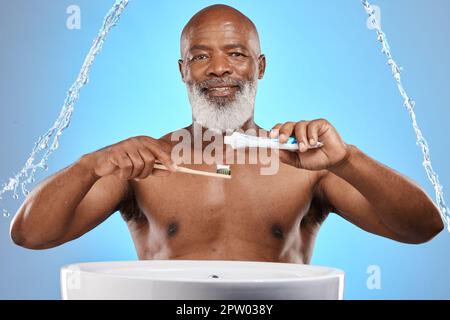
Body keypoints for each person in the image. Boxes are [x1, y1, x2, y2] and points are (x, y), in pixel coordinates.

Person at [10, 4, 443, 264]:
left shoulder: (305, 162)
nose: (219, 68)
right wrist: (88, 166)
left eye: (236, 54)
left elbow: (424, 227)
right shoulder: (143, 163)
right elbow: (30, 235)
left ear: (260, 67)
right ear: (184, 72)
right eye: (201, 57)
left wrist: (347, 159)